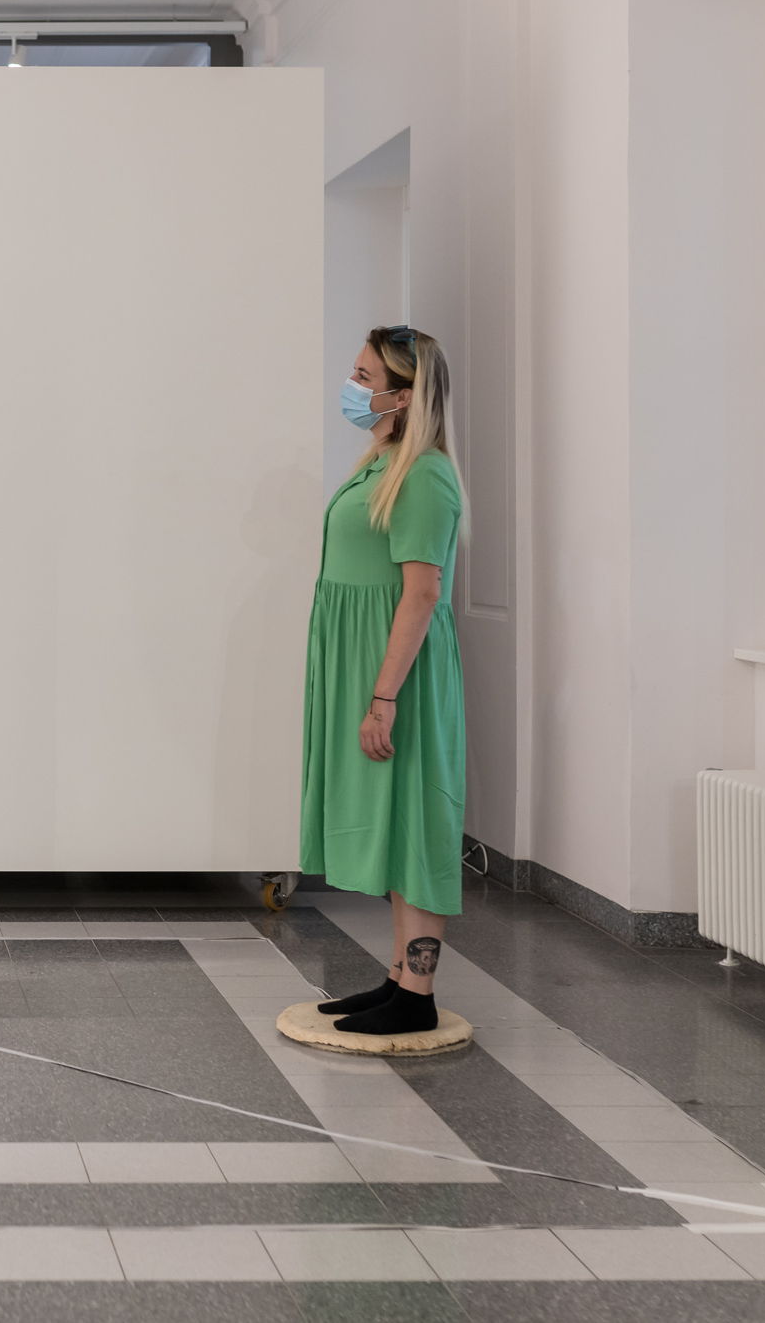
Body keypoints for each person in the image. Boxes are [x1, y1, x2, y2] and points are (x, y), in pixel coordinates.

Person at [301, 325, 467, 1035]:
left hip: (398, 674)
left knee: (416, 820)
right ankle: (399, 977)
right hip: (367, 662)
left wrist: (383, 697)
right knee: (392, 819)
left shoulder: (424, 474)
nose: (353, 387)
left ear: (403, 396)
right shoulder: (382, 463)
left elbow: (422, 593)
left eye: (365, 378)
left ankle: (417, 994)